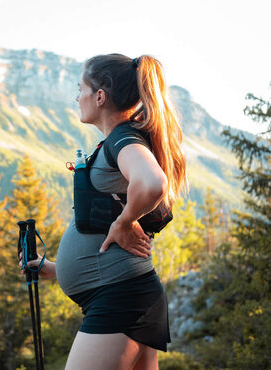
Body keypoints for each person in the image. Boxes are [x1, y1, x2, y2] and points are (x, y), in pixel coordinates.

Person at [20, 53, 187, 370]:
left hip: (119, 301)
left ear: (100, 96)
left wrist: (125, 223)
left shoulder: (122, 139)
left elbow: (152, 183)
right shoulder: (118, 141)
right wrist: (57, 269)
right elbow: (105, 228)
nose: (77, 96)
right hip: (130, 295)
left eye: (80, 88)